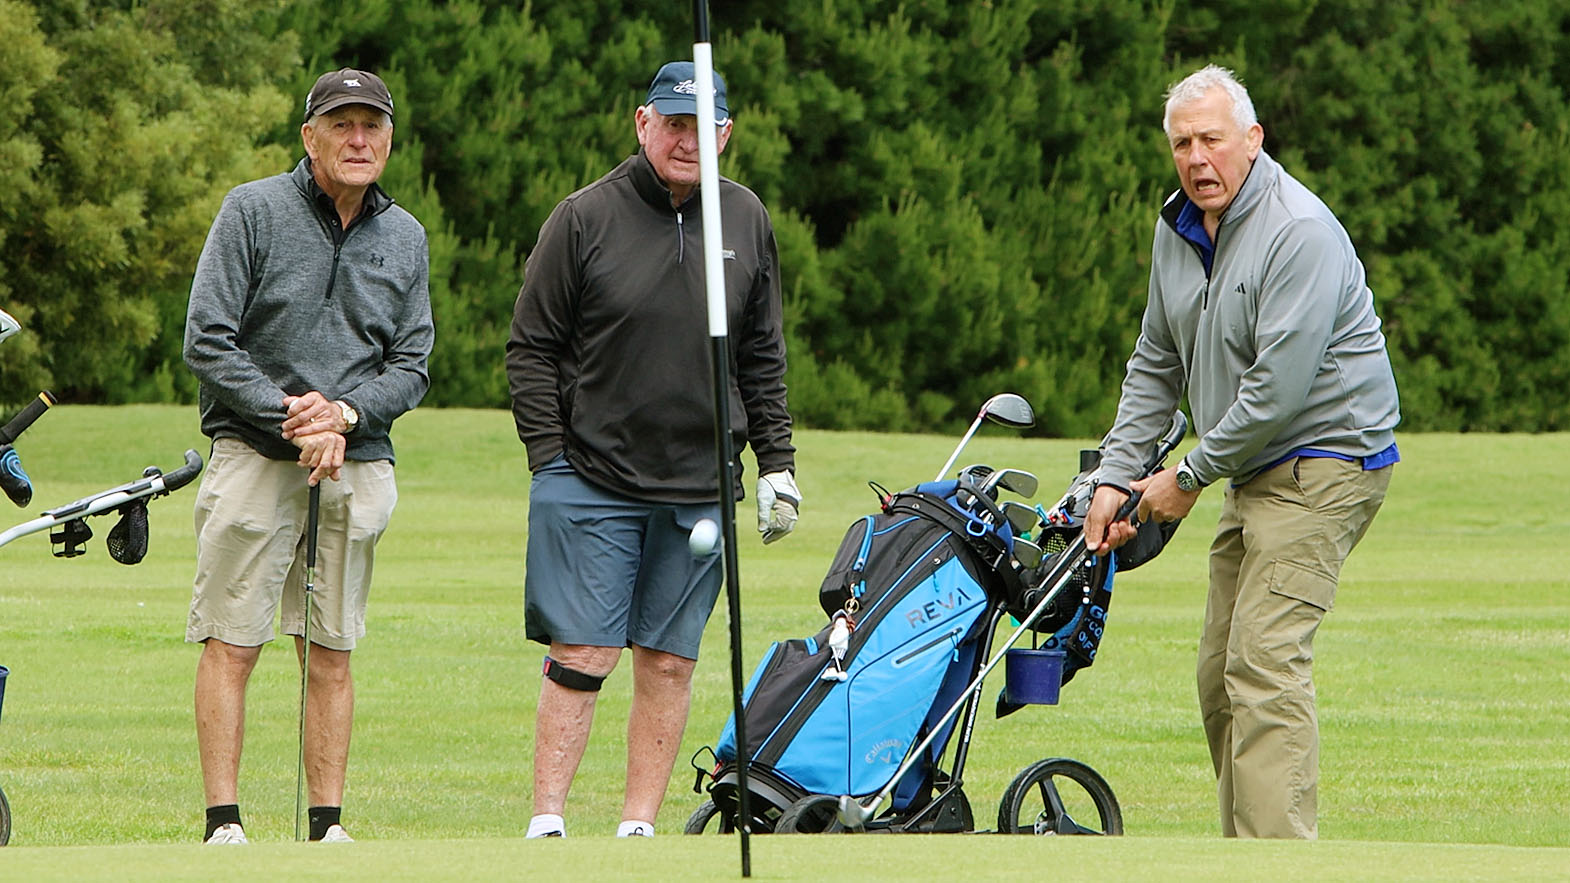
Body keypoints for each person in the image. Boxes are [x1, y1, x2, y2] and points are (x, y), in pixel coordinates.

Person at [1083, 65, 1400, 839]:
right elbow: (1156, 362)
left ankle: (1277, 859)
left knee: (1262, 660)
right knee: (1219, 676)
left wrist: (1185, 476)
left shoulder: (1300, 232)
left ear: (1252, 141)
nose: (1198, 158)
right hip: (1253, 465)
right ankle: (1241, 856)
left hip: (1327, 460)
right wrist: (1114, 475)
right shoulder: (1180, 227)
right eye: (1183, 143)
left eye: (1213, 140)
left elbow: (1277, 392)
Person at [506, 60, 799, 839]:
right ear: (643, 123)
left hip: (700, 483)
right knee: (584, 650)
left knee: (668, 661)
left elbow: (761, 356)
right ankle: (548, 821)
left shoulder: (746, 219)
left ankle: (638, 828)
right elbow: (531, 348)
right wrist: (549, 461)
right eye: (673, 124)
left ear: (726, 134)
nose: (686, 140)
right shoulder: (585, 217)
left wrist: (777, 465)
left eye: (703, 127)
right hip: (592, 476)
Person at [182, 67, 434, 845]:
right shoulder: (252, 210)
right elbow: (207, 338)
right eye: (342, 125)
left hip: (358, 460)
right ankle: (224, 822)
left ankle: (328, 825)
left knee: (331, 643)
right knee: (233, 636)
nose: (359, 140)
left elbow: (414, 363)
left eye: (373, 127)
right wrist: (295, 416)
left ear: (390, 138)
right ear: (310, 136)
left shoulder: (407, 236)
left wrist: (348, 415)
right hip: (256, 451)